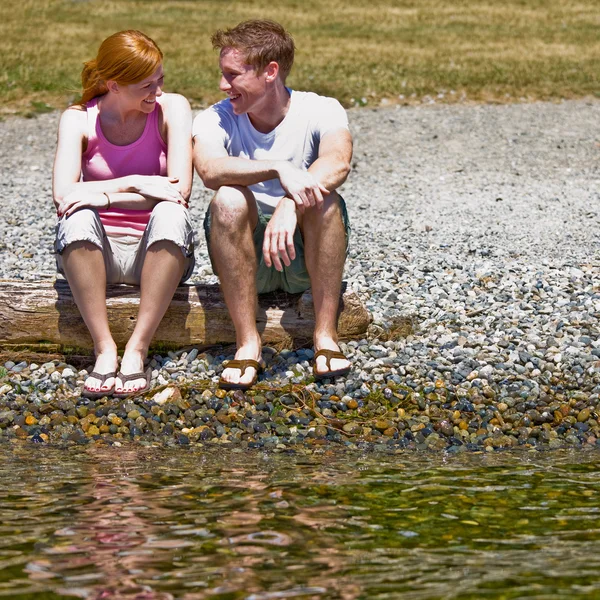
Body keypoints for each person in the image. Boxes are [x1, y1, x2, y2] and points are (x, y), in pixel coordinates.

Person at [192, 19, 352, 390]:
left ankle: (325, 337)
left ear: (270, 72)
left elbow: (338, 161)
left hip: (301, 250)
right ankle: (248, 343)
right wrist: (279, 169)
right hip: (244, 249)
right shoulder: (216, 116)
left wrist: (290, 204)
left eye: (232, 75)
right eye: (222, 74)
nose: (222, 85)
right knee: (228, 198)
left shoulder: (321, 109)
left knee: (325, 201)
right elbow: (210, 168)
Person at [52, 30, 194, 399]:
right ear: (114, 85)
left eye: (161, 79)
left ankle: (137, 348)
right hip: (96, 253)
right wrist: (135, 183)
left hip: (158, 251)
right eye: (147, 85)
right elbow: (63, 195)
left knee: (170, 214)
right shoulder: (78, 119)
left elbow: (178, 195)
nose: (158, 91)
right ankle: (105, 349)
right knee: (77, 218)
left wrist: (99, 196)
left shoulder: (172, 109)